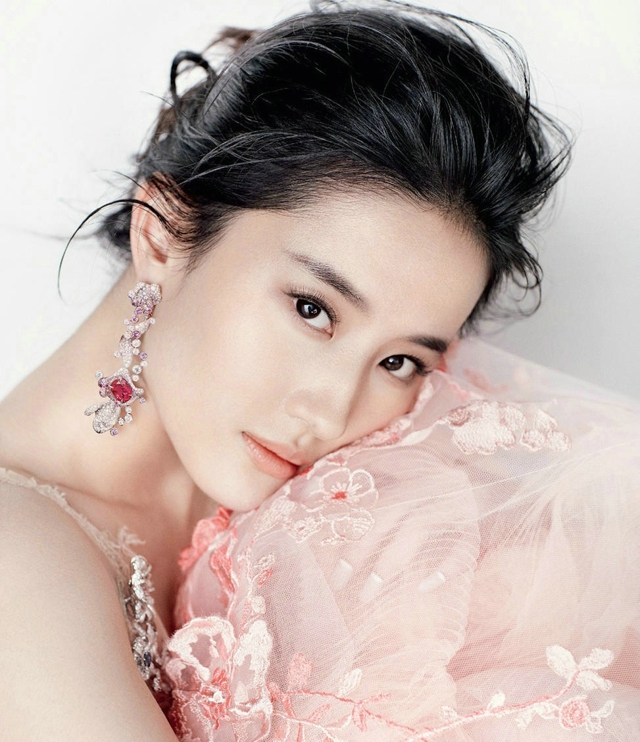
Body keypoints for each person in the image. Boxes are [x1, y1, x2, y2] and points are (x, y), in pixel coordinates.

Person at [0, 2, 637, 741]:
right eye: (313, 309)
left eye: (399, 361)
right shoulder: (16, 555)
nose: (332, 412)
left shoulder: (362, 508)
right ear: (163, 234)